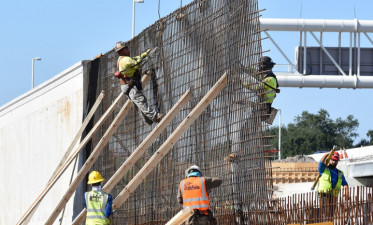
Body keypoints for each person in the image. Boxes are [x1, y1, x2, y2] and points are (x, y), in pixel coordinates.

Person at [114, 41, 162, 125]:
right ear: (123, 50)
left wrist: (145, 54)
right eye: (126, 48)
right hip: (130, 85)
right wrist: (148, 56)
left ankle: (148, 120)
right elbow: (137, 64)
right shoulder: (126, 59)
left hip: (126, 86)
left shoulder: (121, 59)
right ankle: (155, 117)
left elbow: (135, 59)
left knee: (137, 103)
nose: (128, 50)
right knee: (140, 101)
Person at [242, 56, 280, 124]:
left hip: (263, 107)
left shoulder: (270, 79)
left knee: (249, 125)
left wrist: (242, 83)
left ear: (263, 67)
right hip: (261, 105)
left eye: (260, 66)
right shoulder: (268, 76)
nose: (259, 68)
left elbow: (255, 88)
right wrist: (245, 69)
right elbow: (256, 73)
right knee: (248, 125)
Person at [317, 152, 349, 221]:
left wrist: (347, 191)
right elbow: (320, 163)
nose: (334, 162)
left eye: (335, 160)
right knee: (325, 214)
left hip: (334, 196)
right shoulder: (323, 169)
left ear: (337, 161)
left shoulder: (340, 173)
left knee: (331, 215)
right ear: (329, 159)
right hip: (324, 195)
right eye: (332, 160)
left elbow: (345, 184)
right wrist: (326, 155)